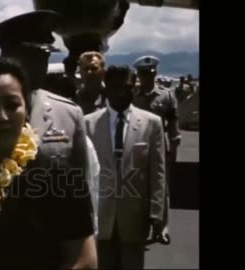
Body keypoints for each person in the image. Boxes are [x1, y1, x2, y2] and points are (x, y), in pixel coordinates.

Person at [0, 52, 97, 269]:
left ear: (26, 108)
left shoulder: (60, 177)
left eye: (12, 104)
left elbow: (84, 261)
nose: (3, 117)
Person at [85, 65, 166, 269]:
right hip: (99, 217)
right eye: (116, 87)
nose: (123, 92)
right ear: (107, 89)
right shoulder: (88, 124)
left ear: (135, 88)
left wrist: (158, 214)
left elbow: (158, 172)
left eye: (128, 87)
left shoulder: (152, 123)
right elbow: (81, 173)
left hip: (134, 217)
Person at [132, 55, 180, 241]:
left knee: (161, 186)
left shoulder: (166, 95)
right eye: (143, 74)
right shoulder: (133, 95)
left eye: (150, 74)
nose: (147, 77)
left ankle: (162, 228)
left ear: (155, 74)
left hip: (160, 147)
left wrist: (175, 142)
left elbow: (173, 120)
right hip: (137, 146)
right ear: (138, 74)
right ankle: (141, 224)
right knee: (139, 186)